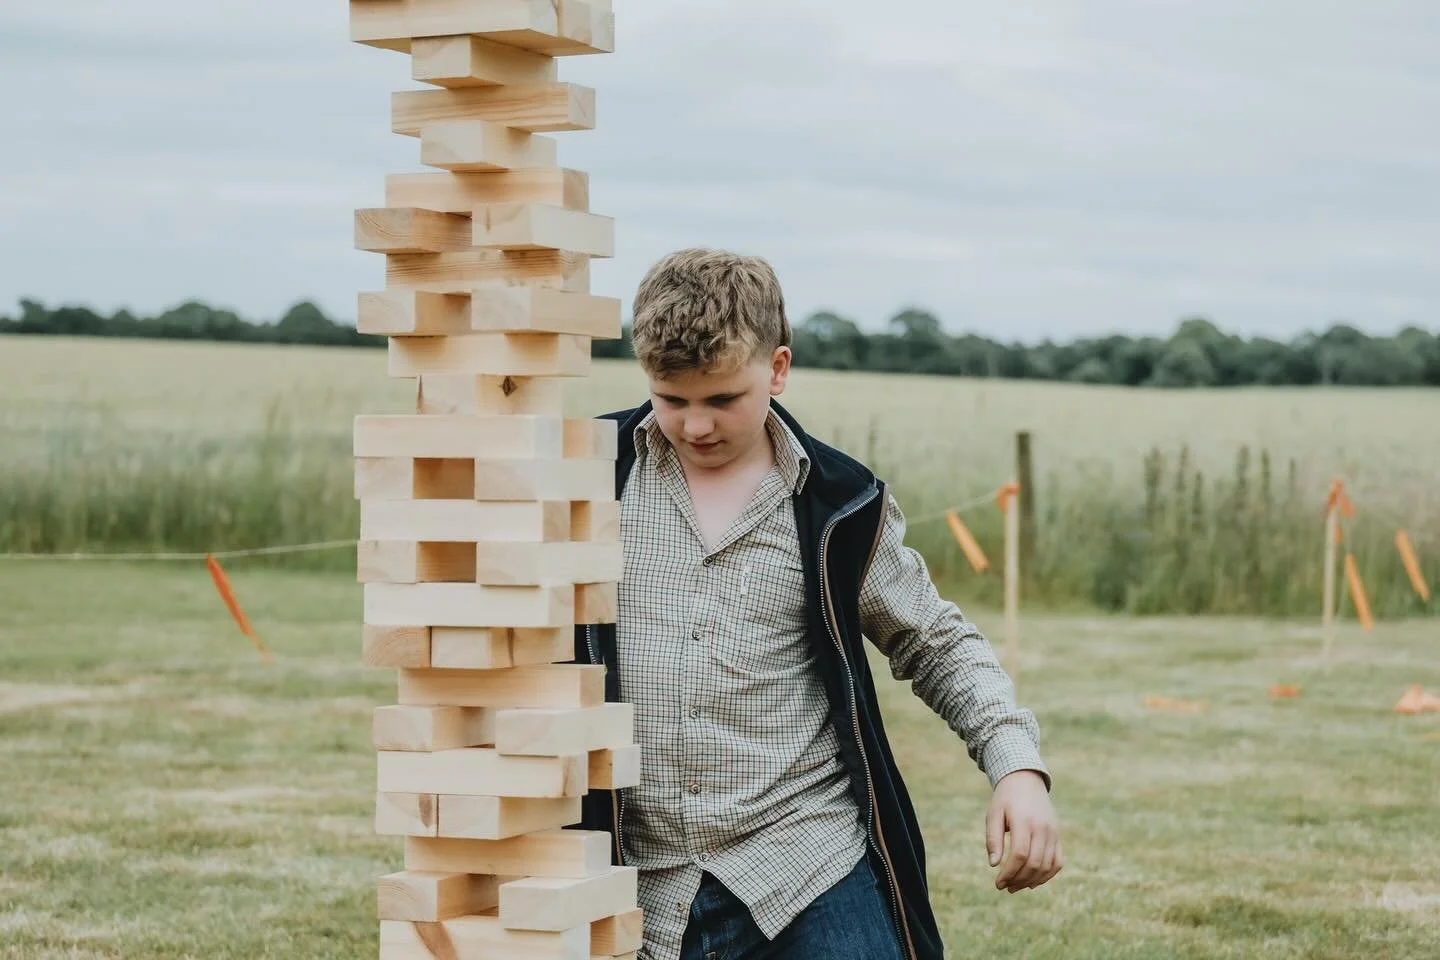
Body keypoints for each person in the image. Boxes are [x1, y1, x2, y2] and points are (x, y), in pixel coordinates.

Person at [573, 248, 1062, 960]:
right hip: (632, 876)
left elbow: (935, 641)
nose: (697, 426)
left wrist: (1017, 768)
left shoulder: (842, 503)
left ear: (777, 368)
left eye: (722, 400)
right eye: (671, 399)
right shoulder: (586, 472)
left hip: (805, 863)